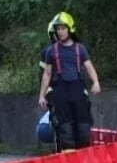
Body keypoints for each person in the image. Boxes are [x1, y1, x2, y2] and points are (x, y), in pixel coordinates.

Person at [37, 11, 101, 150]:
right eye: (58, 29)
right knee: (65, 132)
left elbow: (89, 67)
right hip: (60, 93)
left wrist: (95, 82)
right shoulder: (51, 51)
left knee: (84, 130)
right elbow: (47, 74)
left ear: (70, 29)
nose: (60, 32)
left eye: (63, 28)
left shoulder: (80, 49)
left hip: (77, 91)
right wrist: (42, 95)